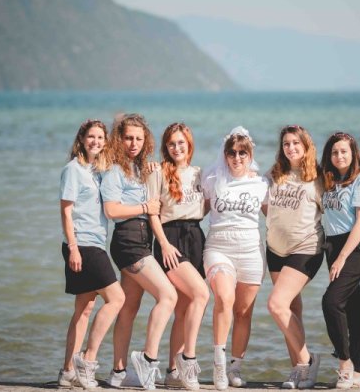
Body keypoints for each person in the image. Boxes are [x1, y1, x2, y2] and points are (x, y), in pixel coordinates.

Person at [100, 113, 177, 390]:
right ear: (119, 140)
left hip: (145, 242)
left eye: (139, 138)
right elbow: (111, 210)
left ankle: (118, 372)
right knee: (168, 295)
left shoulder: (141, 168)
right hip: (128, 241)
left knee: (129, 308)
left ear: (146, 142)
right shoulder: (115, 171)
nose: (133, 143)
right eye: (128, 138)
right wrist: (145, 208)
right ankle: (148, 359)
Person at [58, 119, 126, 390]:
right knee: (116, 298)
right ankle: (88, 360)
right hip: (83, 245)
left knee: (84, 309)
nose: (96, 141)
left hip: (95, 242)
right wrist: (73, 248)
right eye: (91, 137)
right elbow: (65, 211)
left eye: (100, 137)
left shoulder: (97, 170)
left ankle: (67, 372)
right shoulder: (73, 170)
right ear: (81, 139)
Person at [202, 126, 269, 391]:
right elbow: (193, 209)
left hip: (251, 252)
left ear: (250, 154)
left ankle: (235, 367)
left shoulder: (261, 183)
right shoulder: (212, 179)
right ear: (225, 153)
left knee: (243, 312)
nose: (237, 158)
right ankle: (218, 364)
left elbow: (275, 217)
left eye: (243, 153)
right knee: (224, 299)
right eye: (232, 152)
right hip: (218, 248)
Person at [147, 123, 210, 390]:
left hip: (195, 236)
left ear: (189, 144)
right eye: (172, 143)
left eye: (181, 143)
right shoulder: (158, 172)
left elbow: (206, 205)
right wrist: (163, 244)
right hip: (169, 239)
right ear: (166, 147)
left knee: (184, 309)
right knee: (201, 294)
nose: (177, 148)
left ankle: (173, 372)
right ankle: (188, 360)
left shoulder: (200, 173)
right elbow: (152, 213)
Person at [265, 124, 324, 390]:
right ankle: (297, 373)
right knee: (291, 310)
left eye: (295, 143)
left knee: (277, 305)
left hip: (306, 248)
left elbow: (335, 209)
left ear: (306, 145)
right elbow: (263, 204)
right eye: (286, 144)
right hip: (275, 250)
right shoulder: (275, 174)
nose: (290, 148)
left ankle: (306, 362)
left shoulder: (319, 176)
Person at [319, 132, 360, 389]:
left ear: (353, 154)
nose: (339, 156)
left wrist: (341, 258)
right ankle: (359, 373)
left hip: (355, 249)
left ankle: (345, 363)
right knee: (353, 308)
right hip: (333, 246)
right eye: (334, 152)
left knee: (331, 302)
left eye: (344, 151)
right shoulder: (329, 182)